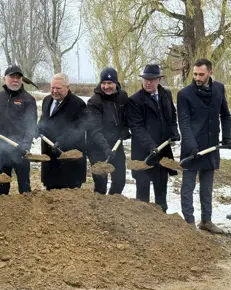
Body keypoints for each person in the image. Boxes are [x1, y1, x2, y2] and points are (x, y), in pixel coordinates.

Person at [177, 58, 231, 232]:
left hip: (211, 145)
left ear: (210, 72)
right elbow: (184, 123)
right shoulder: (184, 94)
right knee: (187, 188)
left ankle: (206, 221)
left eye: (201, 74)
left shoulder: (218, 89)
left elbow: (225, 115)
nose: (197, 78)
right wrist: (193, 147)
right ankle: (189, 223)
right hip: (191, 148)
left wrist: (227, 137)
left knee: (207, 188)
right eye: (195, 74)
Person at [127, 64, 180, 212]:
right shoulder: (135, 100)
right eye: (146, 79)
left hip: (163, 152)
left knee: (161, 191)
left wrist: (174, 130)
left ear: (159, 80)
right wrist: (152, 146)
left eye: (152, 79)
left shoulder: (166, 95)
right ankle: (142, 227)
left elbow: (172, 115)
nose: (148, 82)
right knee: (142, 195)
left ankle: (162, 220)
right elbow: (137, 127)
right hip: (143, 153)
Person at [37, 73, 87, 190]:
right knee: (51, 197)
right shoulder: (47, 100)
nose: (54, 91)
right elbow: (44, 120)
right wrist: (38, 129)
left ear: (67, 87)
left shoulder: (78, 104)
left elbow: (79, 129)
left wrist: (62, 141)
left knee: (68, 199)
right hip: (49, 159)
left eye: (58, 88)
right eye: (52, 88)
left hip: (68, 161)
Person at [0, 65, 37, 195]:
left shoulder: (28, 99)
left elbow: (31, 125)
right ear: (4, 79)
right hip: (2, 150)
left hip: (21, 150)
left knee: (24, 188)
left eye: (18, 77)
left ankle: (26, 213)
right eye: (12, 77)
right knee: (2, 187)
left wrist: (26, 144)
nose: (15, 80)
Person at [87, 67, 130, 195]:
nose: (106, 86)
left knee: (119, 181)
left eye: (110, 83)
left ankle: (111, 208)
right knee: (101, 185)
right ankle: (99, 210)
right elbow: (94, 129)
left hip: (116, 145)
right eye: (104, 83)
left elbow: (126, 118)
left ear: (116, 83)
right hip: (97, 146)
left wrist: (125, 130)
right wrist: (106, 148)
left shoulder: (122, 97)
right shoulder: (94, 102)